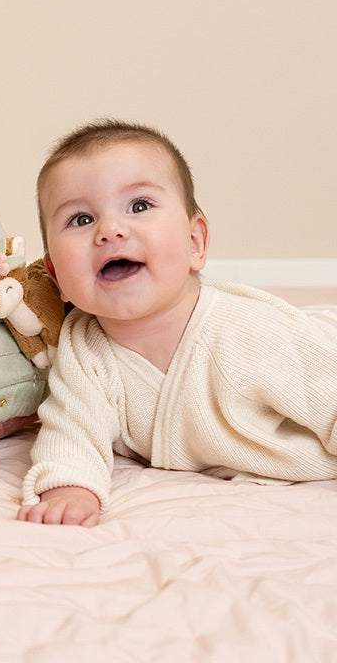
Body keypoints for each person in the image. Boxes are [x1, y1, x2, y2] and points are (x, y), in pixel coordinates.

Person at [17, 119, 337, 527]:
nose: (110, 230)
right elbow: (71, 429)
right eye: (81, 219)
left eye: (139, 206)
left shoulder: (248, 332)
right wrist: (70, 486)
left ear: (194, 243)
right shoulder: (84, 346)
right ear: (57, 278)